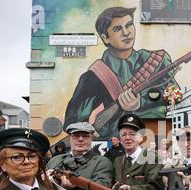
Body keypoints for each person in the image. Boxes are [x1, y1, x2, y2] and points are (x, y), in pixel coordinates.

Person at [63, 6, 178, 139]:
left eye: (129, 25)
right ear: (105, 38)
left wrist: (142, 101)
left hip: (154, 136)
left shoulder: (157, 60)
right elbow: (72, 121)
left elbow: (175, 96)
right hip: (114, 143)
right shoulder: (93, 76)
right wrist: (93, 134)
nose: (126, 32)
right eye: (118, 29)